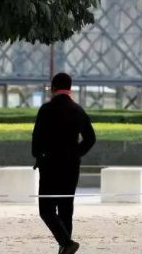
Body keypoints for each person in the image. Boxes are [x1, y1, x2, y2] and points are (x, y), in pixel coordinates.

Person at [31, 73, 96, 254]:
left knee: (46, 209)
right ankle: (65, 248)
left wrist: (38, 156)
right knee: (66, 209)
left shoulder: (45, 110)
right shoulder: (78, 110)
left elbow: (36, 139)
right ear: (70, 88)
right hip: (70, 167)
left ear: (53, 88)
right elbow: (91, 138)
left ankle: (66, 243)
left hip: (50, 165)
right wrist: (76, 154)